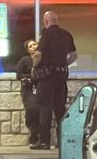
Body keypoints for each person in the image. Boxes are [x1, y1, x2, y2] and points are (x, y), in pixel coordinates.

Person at [32, 11, 77, 150]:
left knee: (45, 107)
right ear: (57, 20)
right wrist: (63, 63)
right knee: (60, 108)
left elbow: (38, 54)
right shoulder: (67, 34)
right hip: (61, 76)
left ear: (46, 21)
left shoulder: (46, 34)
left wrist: (34, 66)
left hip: (47, 77)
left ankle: (44, 141)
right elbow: (74, 55)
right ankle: (61, 141)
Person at [15, 40, 40, 146]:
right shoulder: (25, 60)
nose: (33, 47)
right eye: (30, 46)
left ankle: (40, 137)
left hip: (41, 88)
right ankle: (33, 136)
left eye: (34, 44)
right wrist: (30, 78)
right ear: (28, 50)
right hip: (29, 89)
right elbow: (18, 75)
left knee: (41, 112)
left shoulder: (43, 59)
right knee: (32, 109)